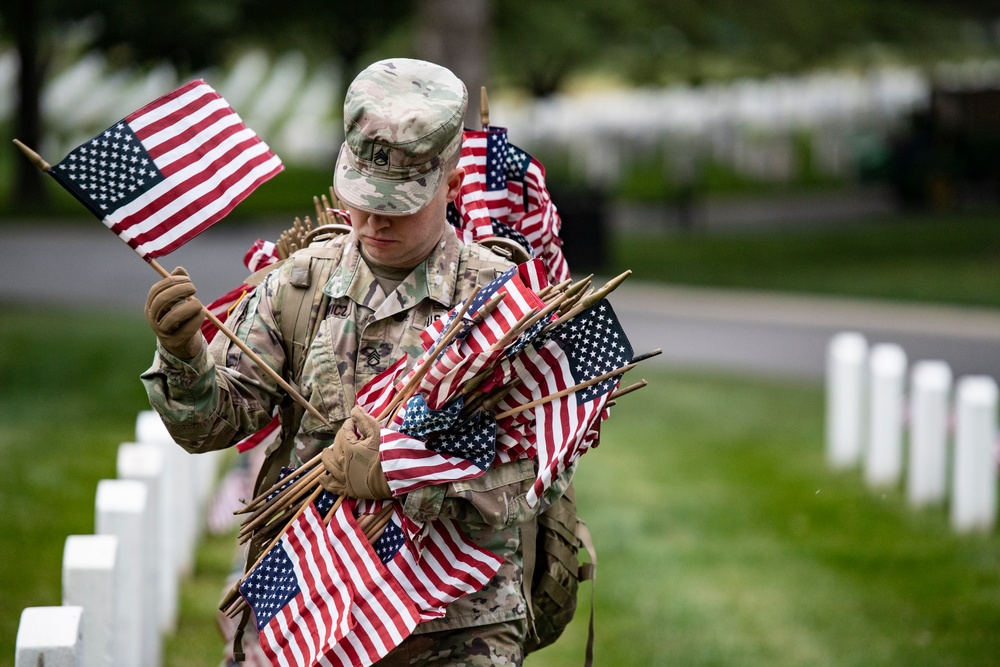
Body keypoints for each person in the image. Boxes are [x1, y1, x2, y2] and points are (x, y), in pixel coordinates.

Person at [141, 58, 566, 666]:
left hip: (453, 620)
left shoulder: (503, 303)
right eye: (362, 198)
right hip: (311, 601)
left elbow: (538, 467)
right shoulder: (297, 287)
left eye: (399, 204)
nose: (371, 220)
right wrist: (184, 358)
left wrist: (402, 475)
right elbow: (216, 425)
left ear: (451, 183)